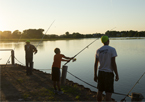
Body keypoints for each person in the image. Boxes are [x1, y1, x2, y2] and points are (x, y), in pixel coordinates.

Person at [94, 35, 119, 101]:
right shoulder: (112, 49)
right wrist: (117, 74)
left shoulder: (98, 50)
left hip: (100, 73)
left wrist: (95, 75)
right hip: (109, 73)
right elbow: (113, 63)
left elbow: (95, 64)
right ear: (108, 41)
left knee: (100, 91)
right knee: (108, 93)